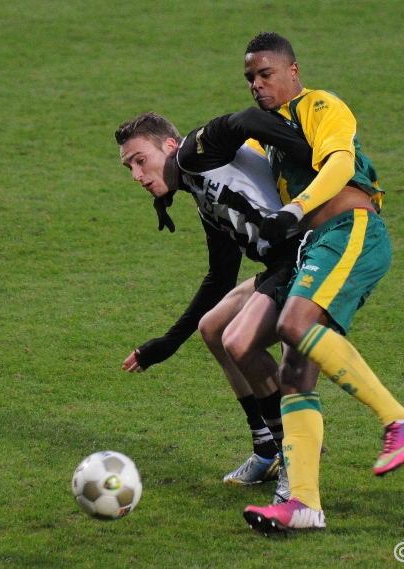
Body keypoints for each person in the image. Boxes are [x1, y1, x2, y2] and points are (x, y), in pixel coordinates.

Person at [221, 32, 404, 533]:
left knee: (293, 325)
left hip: (350, 229)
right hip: (315, 246)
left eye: (265, 73)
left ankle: (398, 419)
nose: (256, 84)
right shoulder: (265, 136)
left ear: (293, 71)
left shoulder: (319, 105)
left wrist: (294, 208)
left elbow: (338, 161)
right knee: (295, 374)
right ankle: (305, 506)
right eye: (249, 77)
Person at [114, 110, 318, 502]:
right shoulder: (200, 192)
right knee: (213, 328)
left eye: (141, 161)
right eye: (129, 168)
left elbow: (242, 122)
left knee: (242, 343)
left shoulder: (195, 151)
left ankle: (294, 464)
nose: (136, 175)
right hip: (282, 264)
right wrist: (167, 343)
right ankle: (266, 448)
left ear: (169, 146)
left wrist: (309, 154)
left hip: (306, 256)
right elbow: (220, 278)